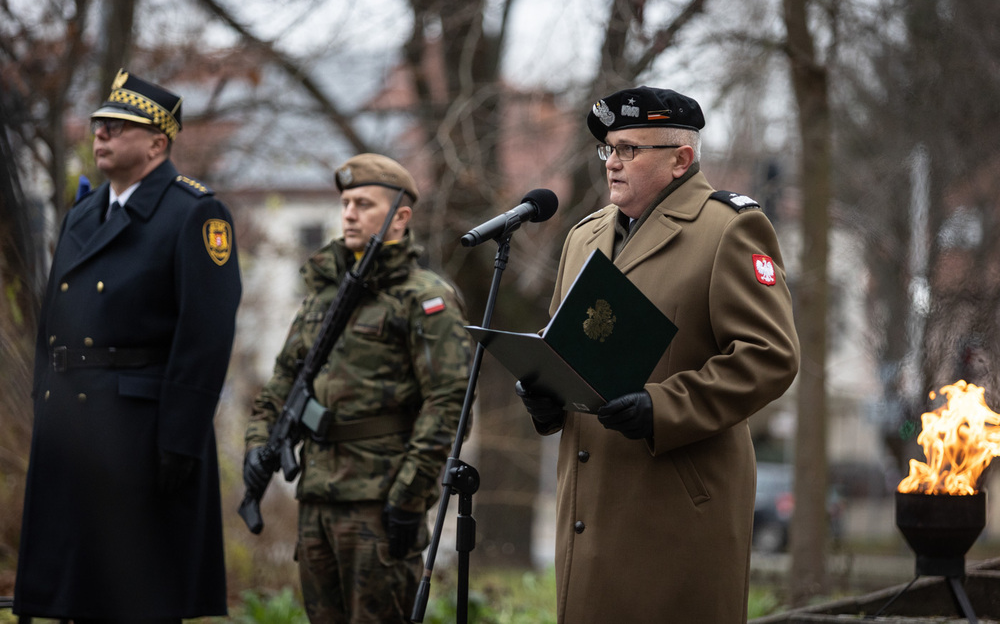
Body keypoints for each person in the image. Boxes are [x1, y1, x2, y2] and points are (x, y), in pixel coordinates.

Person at [516, 86, 800, 623]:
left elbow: (770, 355)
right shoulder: (585, 236)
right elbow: (564, 346)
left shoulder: (728, 230)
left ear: (680, 159)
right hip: (590, 505)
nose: (613, 164)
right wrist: (545, 392)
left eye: (629, 149)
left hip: (675, 506)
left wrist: (664, 406)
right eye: (609, 150)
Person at [14, 69, 242, 621]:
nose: (100, 137)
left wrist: (180, 439)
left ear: (157, 143)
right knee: (75, 596)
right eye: (98, 127)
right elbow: (55, 320)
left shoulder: (193, 213)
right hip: (73, 424)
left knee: (136, 596)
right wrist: (45, 409)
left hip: (140, 430)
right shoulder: (83, 213)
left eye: (116, 128)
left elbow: (206, 335)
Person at [243, 153, 473, 624]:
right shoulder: (322, 297)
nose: (348, 213)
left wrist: (408, 496)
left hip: (379, 500)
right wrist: (256, 445)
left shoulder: (423, 297)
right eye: (346, 202)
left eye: (364, 204)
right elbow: (281, 385)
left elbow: (449, 404)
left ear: (400, 218)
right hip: (318, 498)